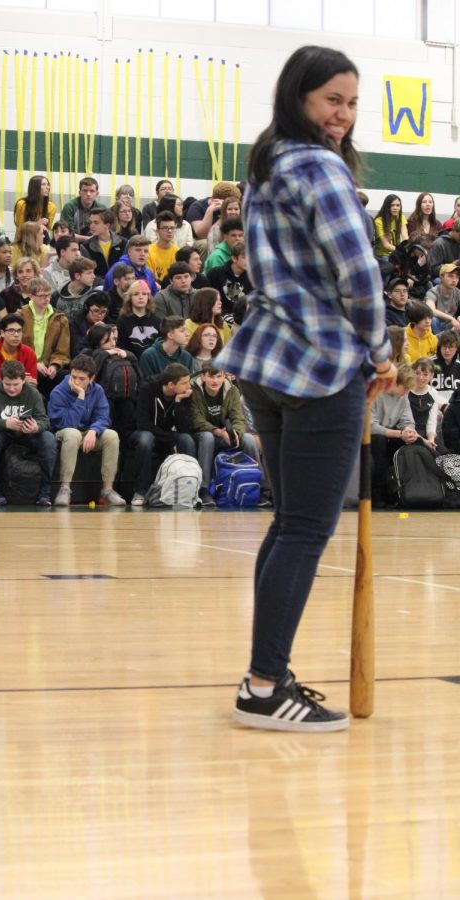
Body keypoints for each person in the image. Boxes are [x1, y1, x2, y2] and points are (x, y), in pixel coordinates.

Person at [217, 46, 395, 731]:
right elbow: (359, 277)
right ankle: (264, 687)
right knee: (306, 531)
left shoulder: (267, 165)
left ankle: (266, 674)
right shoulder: (320, 168)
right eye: (332, 100)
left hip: (269, 364)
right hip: (322, 368)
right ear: (300, 98)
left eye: (351, 102)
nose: (343, 115)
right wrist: (381, 354)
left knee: (288, 525)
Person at [48, 355, 126, 507]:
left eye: (82, 379)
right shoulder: (58, 392)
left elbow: (103, 417)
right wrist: (81, 397)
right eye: (74, 377)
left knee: (112, 436)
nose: (76, 382)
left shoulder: (98, 391)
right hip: (63, 432)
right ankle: (65, 489)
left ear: (92, 378)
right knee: (73, 433)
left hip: (88, 433)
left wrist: (93, 431)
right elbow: (68, 424)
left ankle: (107, 491)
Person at [0, 360, 58, 507]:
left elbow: (45, 421)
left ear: (23, 380)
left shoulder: (33, 394)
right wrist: (5, 423)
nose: (11, 389)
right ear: (1, 380)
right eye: (7, 384)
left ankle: (45, 492)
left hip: (27, 434)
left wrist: (36, 427)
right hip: (3, 434)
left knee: (48, 438)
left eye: (16, 384)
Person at [190, 364, 261, 507]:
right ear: (203, 377)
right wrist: (218, 431)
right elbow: (195, 420)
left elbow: (238, 417)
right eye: (211, 376)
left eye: (219, 376)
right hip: (201, 435)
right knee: (208, 437)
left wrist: (235, 433)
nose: (215, 381)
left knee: (248, 439)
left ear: (224, 377)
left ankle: (258, 487)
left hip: (226, 434)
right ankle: (203, 491)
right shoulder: (194, 392)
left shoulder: (232, 390)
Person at [128, 363, 197, 506]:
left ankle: (190, 489)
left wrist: (178, 402)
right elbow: (143, 424)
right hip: (140, 433)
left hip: (165, 435)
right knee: (146, 438)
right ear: (171, 385)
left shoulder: (185, 394)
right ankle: (141, 491)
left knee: (186, 439)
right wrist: (170, 439)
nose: (188, 386)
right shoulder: (147, 389)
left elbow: (184, 428)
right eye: (184, 383)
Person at [370, 365, 418, 505]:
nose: (407, 392)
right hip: (371, 436)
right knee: (379, 442)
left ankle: (399, 489)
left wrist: (409, 431)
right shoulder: (375, 393)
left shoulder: (403, 397)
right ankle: (377, 492)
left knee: (405, 442)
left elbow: (407, 420)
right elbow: (371, 427)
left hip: (391, 433)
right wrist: (399, 433)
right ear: (394, 383)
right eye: (405, 388)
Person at [19, 277, 70, 401]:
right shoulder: (20, 316)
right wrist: (34, 363)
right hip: (26, 366)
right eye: (42, 295)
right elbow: (16, 347)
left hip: (49, 367)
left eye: (49, 295)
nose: (46, 299)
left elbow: (62, 350)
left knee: (66, 377)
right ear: (31, 296)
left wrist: (55, 365)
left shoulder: (60, 319)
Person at [0, 314, 38, 394]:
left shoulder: (29, 353)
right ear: (2, 333)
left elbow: (32, 384)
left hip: (22, 397)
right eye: (11, 331)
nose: (16, 335)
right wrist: (20, 382)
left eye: (19, 331)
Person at [139, 315, 194, 380]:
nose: (187, 334)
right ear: (170, 335)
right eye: (182, 331)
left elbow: (189, 382)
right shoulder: (149, 355)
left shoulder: (187, 357)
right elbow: (145, 384)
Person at [117, 279, 161, 359]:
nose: (141, 297)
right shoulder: (123, 320)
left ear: (148, 297)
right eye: (136, 294)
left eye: (144, 294)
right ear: (130, 298)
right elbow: (121, 346)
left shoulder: (157, 321)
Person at [207, 241, 252, 317]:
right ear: (234, 258)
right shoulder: (215, 274)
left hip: (245, 318)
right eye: (244, 257)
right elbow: (209, 301)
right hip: (220, 317)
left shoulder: (252, 277)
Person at [79, 208, 126, 277]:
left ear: (107, 225)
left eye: (96, 222)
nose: (91, 226)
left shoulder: (123, 243)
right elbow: (88, 273)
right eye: (90, 223)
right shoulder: (86, 246)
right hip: (98, 284)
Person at [60, 177, 105, 242]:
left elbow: (105, 230)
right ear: (79, 192)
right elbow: (66, 233)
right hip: (72, 243)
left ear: (97, 194)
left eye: (92, 191)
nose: (88, 194)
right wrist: (88, 239)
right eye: (85, 191)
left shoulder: (102, 208)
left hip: (96, 243)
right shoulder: (69, 207)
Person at [408, 357, 438, 449]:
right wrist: (423, 441)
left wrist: (431, 440)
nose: (421, 378)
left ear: (431, 375)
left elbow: (432, 421)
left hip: (426, 433)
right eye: (417, 373)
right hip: (409, 432)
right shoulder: (406, 391)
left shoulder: (433, 393)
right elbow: (405, 421)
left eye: (425, 374)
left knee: (440, 452)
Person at [424, 262, 460, 333]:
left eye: (457, 277)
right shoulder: (433, 292)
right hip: (434, 327)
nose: (454, 280)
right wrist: (451, 319)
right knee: (433, 319)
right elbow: (432, 311)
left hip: (450, 324)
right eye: (450, 276)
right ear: (441, 277)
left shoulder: (457, 292)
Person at [146, 212, 179, 283]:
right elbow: (150, 278)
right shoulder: (148, 251)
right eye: (165, 228)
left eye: (172, 228)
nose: (169, 231)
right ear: (157, 231)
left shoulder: (178, 252)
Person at [374, 194, 408, 260]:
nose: (395, 208)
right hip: (383, 255)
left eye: (398, 205)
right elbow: (386, 245)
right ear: (387, 207)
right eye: (392, 205)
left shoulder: (401, 218)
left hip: (396, 253)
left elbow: (405, 238)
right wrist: (401, 251)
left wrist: (407, 249)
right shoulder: (379, 221)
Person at [430, 330, 460, 407]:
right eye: (444, 346)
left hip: (454, 408)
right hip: (433, 406)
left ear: (456, 348)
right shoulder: (429, 363)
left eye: (450, 347)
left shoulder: (458, 366)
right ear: (439, 347)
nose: (447, 350)